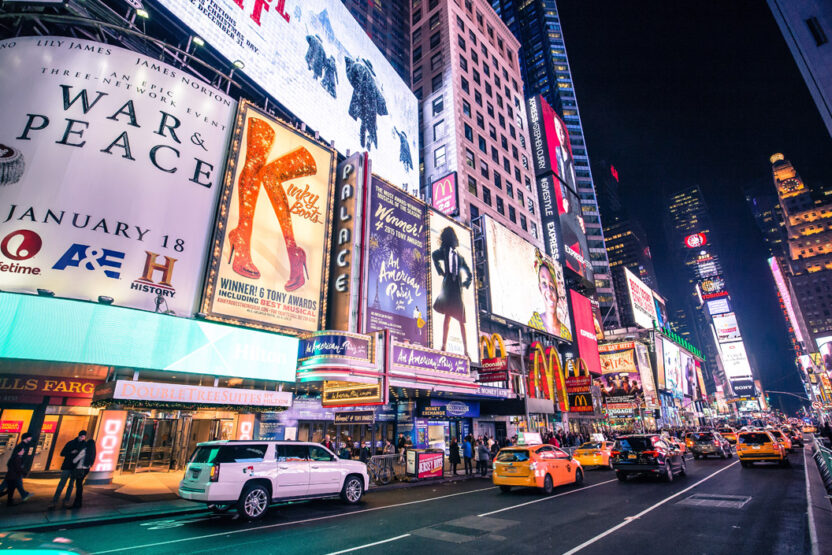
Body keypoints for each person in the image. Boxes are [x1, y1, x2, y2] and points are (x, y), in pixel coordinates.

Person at [431, 226, 473, 356]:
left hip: (457, 289)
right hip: (449, 287)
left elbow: (469, 274)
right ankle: (444, 347)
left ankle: (466, 351)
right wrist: (440, 271)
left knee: (461, 320)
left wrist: (465, 284)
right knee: (448, 317)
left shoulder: (459, 257)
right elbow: (434, 255)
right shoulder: (444, 251)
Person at [529, 248, 571, 341]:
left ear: (557, 292)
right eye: (544, 284)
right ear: (540, 288)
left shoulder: (566, 333)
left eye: (552, 286)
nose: (548, 291)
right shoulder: (534, 323)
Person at [50, 430, 86, 509]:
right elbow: (62, 453)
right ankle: (55, 501)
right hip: (68, 466)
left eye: (84, 437)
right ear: (79, 436)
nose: (83, 438)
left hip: (75, 468)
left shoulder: (84, 445)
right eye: (82, 436)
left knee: (70, 485)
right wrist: (71, 452)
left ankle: (65, 500)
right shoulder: (71, 443)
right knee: (62, 484)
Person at [0, 433, 32, 506]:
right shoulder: (19, 450)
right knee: (10, 488)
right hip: (14, 474)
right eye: (29, 437)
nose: (30, 438)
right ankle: (22, 496)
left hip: (13, 474)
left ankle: (22, 495)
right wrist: (24, 471)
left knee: (10, 486)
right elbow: (17, 467)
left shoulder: (22, 447)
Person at [69, 436, 95, 509]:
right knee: (80, 486)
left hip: (80, 469)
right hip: (86, 470)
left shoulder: (85, 450)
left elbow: (75, 460)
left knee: (78, 486)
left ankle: (77, 503)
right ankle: (78, 502)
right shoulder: (93, 452)